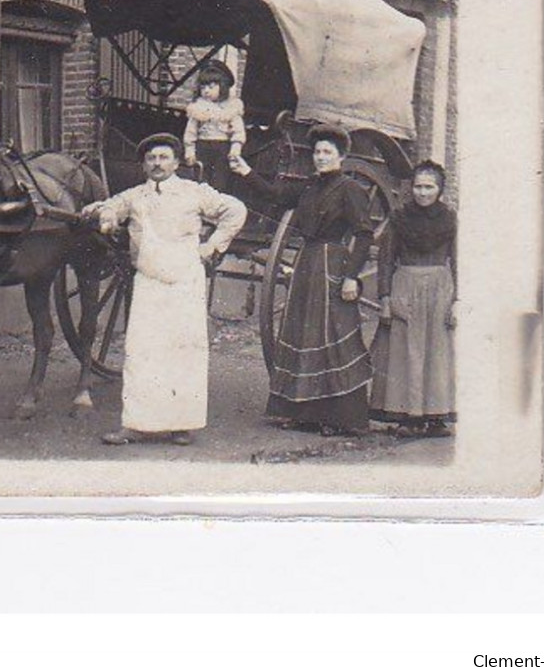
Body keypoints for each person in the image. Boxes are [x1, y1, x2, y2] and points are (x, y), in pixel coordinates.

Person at [87, 133, 247, 447]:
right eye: (151, 159)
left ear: (175, 162)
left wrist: (212, 245)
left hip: (185, 282)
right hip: (149, 282)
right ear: (144, 165)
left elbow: (235, 211)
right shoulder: (134, 196)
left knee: (184, 352)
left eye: (163, 157)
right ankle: (135, 425)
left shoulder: (194, 193)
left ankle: (181, 425)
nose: (157, 164)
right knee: (141, 351)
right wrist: (104, 215)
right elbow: (110, 208)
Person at [232, 125, 374, 435]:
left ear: (342, 156)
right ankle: (303, 413)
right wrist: (246, 172)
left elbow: (364, 234)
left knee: (330, 333)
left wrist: (351, 277)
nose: (321, 158)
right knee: (301, 333)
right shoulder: (310, 187)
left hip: (332, 263)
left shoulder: (350, 189)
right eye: (317, 153)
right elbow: (275, 193)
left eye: (327, 153)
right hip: (307, 262)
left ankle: (339, 418)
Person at [368, 161, 458, 438]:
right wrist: (384, 298)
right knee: (405, 351)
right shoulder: (399, 219)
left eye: (429, 187)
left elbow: (459, 260)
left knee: (436, 351)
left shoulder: (450, 219)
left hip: (440, 290)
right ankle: (408, 416)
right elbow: (385, 261)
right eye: (418, 186)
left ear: (439, 189)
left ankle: (435, 417)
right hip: (405, 285)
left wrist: (458, 300)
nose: (423, 192)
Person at [182, 60, 245, 193]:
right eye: (203, 87)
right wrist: (189, 150)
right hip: (202, 146)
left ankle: (218, 200)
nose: (206, 91)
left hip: (222, 148)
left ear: (222, 86)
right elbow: (191, 132)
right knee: (200, 176)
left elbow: (238, 131)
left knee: (220, 179)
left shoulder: (232, 107)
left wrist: (236, 147)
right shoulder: (198, 107)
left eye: (211, 87)